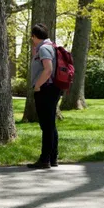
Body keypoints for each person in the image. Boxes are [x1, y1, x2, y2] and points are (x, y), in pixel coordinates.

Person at [28, 23, 61, 169]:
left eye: (32, 37)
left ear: (34, 36)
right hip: (50, 89)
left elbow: (48, 70)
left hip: (46, 89)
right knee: (50, 125)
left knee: (46, 126)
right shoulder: (49, 46)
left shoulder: (44, 48)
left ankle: (45, 159)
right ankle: (53, 157)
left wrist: (37, 86)